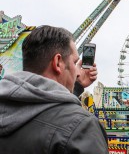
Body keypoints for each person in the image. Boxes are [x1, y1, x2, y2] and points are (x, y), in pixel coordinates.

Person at [0, 25, 108, 154]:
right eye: (74, 62)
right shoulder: (80, 126)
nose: (77, 73)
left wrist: (77, 86)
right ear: (58, 62)